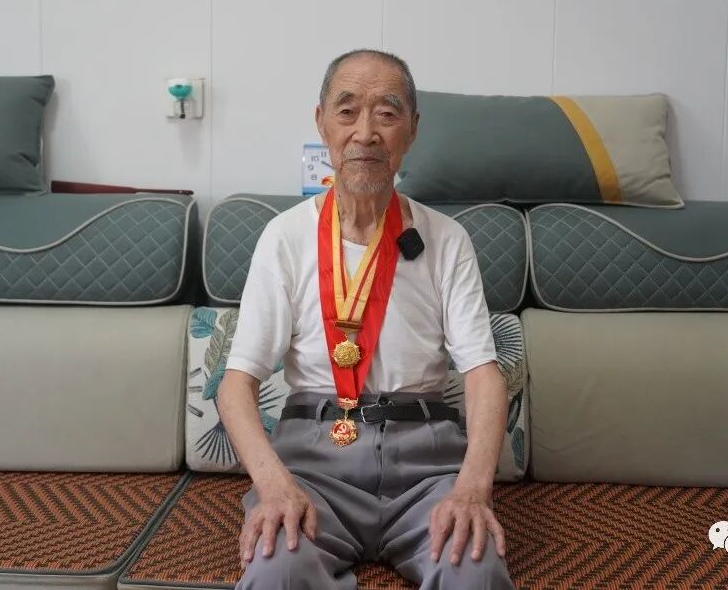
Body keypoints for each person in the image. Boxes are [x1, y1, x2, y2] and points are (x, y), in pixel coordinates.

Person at [218, 48, 515, 590]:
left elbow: (482, 375)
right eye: (347, 111)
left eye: (387, 113)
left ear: (412, 129)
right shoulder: (284, 237)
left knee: (473, 571)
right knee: (277, 569)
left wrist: (472, 490)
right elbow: (236, 384)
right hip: (313, 467)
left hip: (426, 469)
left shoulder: (447, 239)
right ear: (322, 122)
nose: (366, 133)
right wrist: (274, 485)